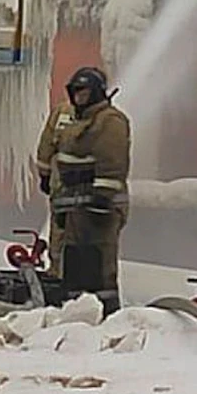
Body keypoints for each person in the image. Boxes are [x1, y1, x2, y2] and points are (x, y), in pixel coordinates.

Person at [34, 65, 131, 311]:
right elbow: (47, 148)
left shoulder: (110, 121)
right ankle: (71, 308)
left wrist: (101, 200)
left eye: (84, 92)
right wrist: (47, 180)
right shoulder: (74, 117)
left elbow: (112, 164)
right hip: (73, 208)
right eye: (75, 92)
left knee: (100, 265)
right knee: (70, 261)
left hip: (100, 209)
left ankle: (107, 312)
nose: (78, 97)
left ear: (97, 93)